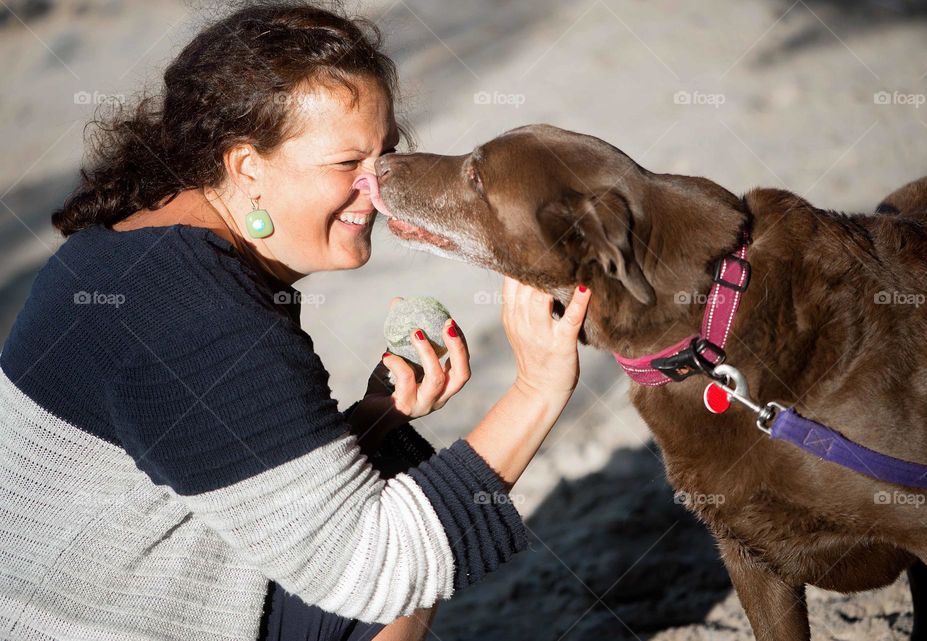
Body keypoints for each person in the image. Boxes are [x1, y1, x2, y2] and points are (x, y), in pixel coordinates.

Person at [0, 3, 591, 641]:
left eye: (384, 155)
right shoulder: (207, 318)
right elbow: (383, 569)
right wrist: (539, 387)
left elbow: (208, 471)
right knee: (402, 549)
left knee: (385, 470)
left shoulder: (128, 246)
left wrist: (378, 417)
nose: (379, 189)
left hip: (62, 607)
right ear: (246, 163)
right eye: (346, 164)